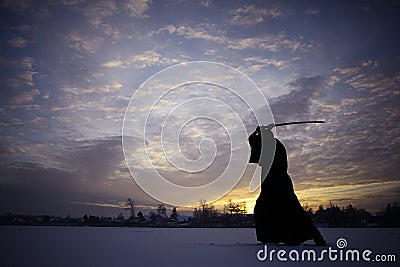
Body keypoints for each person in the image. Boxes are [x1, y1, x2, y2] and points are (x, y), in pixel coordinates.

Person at [249, 125, 326, 246]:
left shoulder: (271, 146)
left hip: (276, 184)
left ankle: (313, 237)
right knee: (276, 210)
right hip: (275, 184)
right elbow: (254, 141)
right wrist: (260, 132)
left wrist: (257, 131)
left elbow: (252, 141)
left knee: (287, 210)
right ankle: (273, 238)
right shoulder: (275, 145)